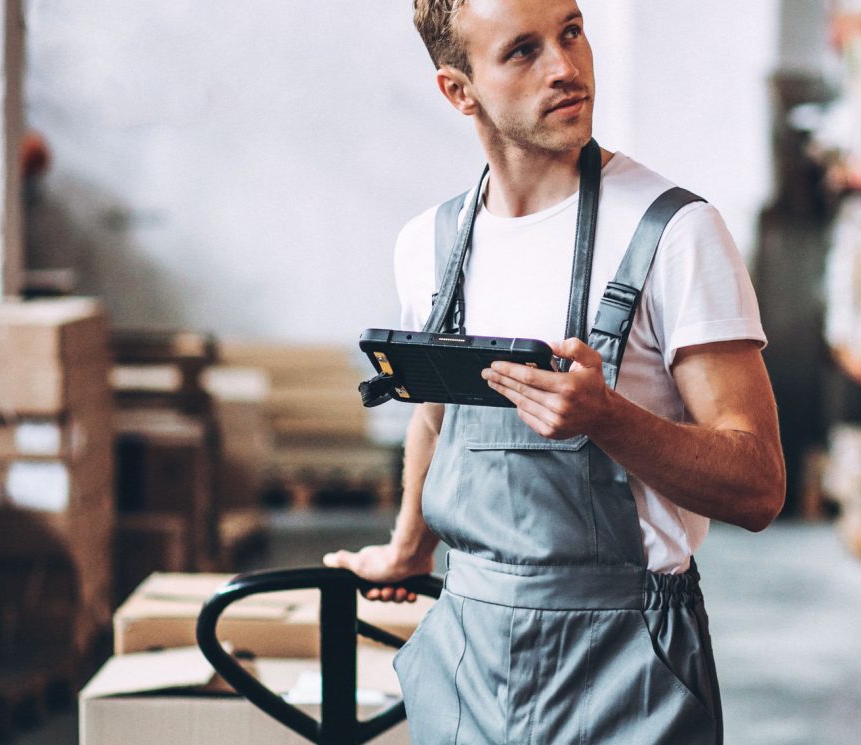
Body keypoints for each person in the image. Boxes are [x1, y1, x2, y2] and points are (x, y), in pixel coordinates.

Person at [324, 1, 784, 741]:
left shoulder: (673, 233)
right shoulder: (429, 246)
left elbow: (758, 484)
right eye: (523, 51)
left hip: (626, 661)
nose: (566, 68)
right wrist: (409, 547)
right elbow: (438, 417)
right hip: (467, 654)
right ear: (458, 91)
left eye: (571, 32)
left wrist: (607, 418)